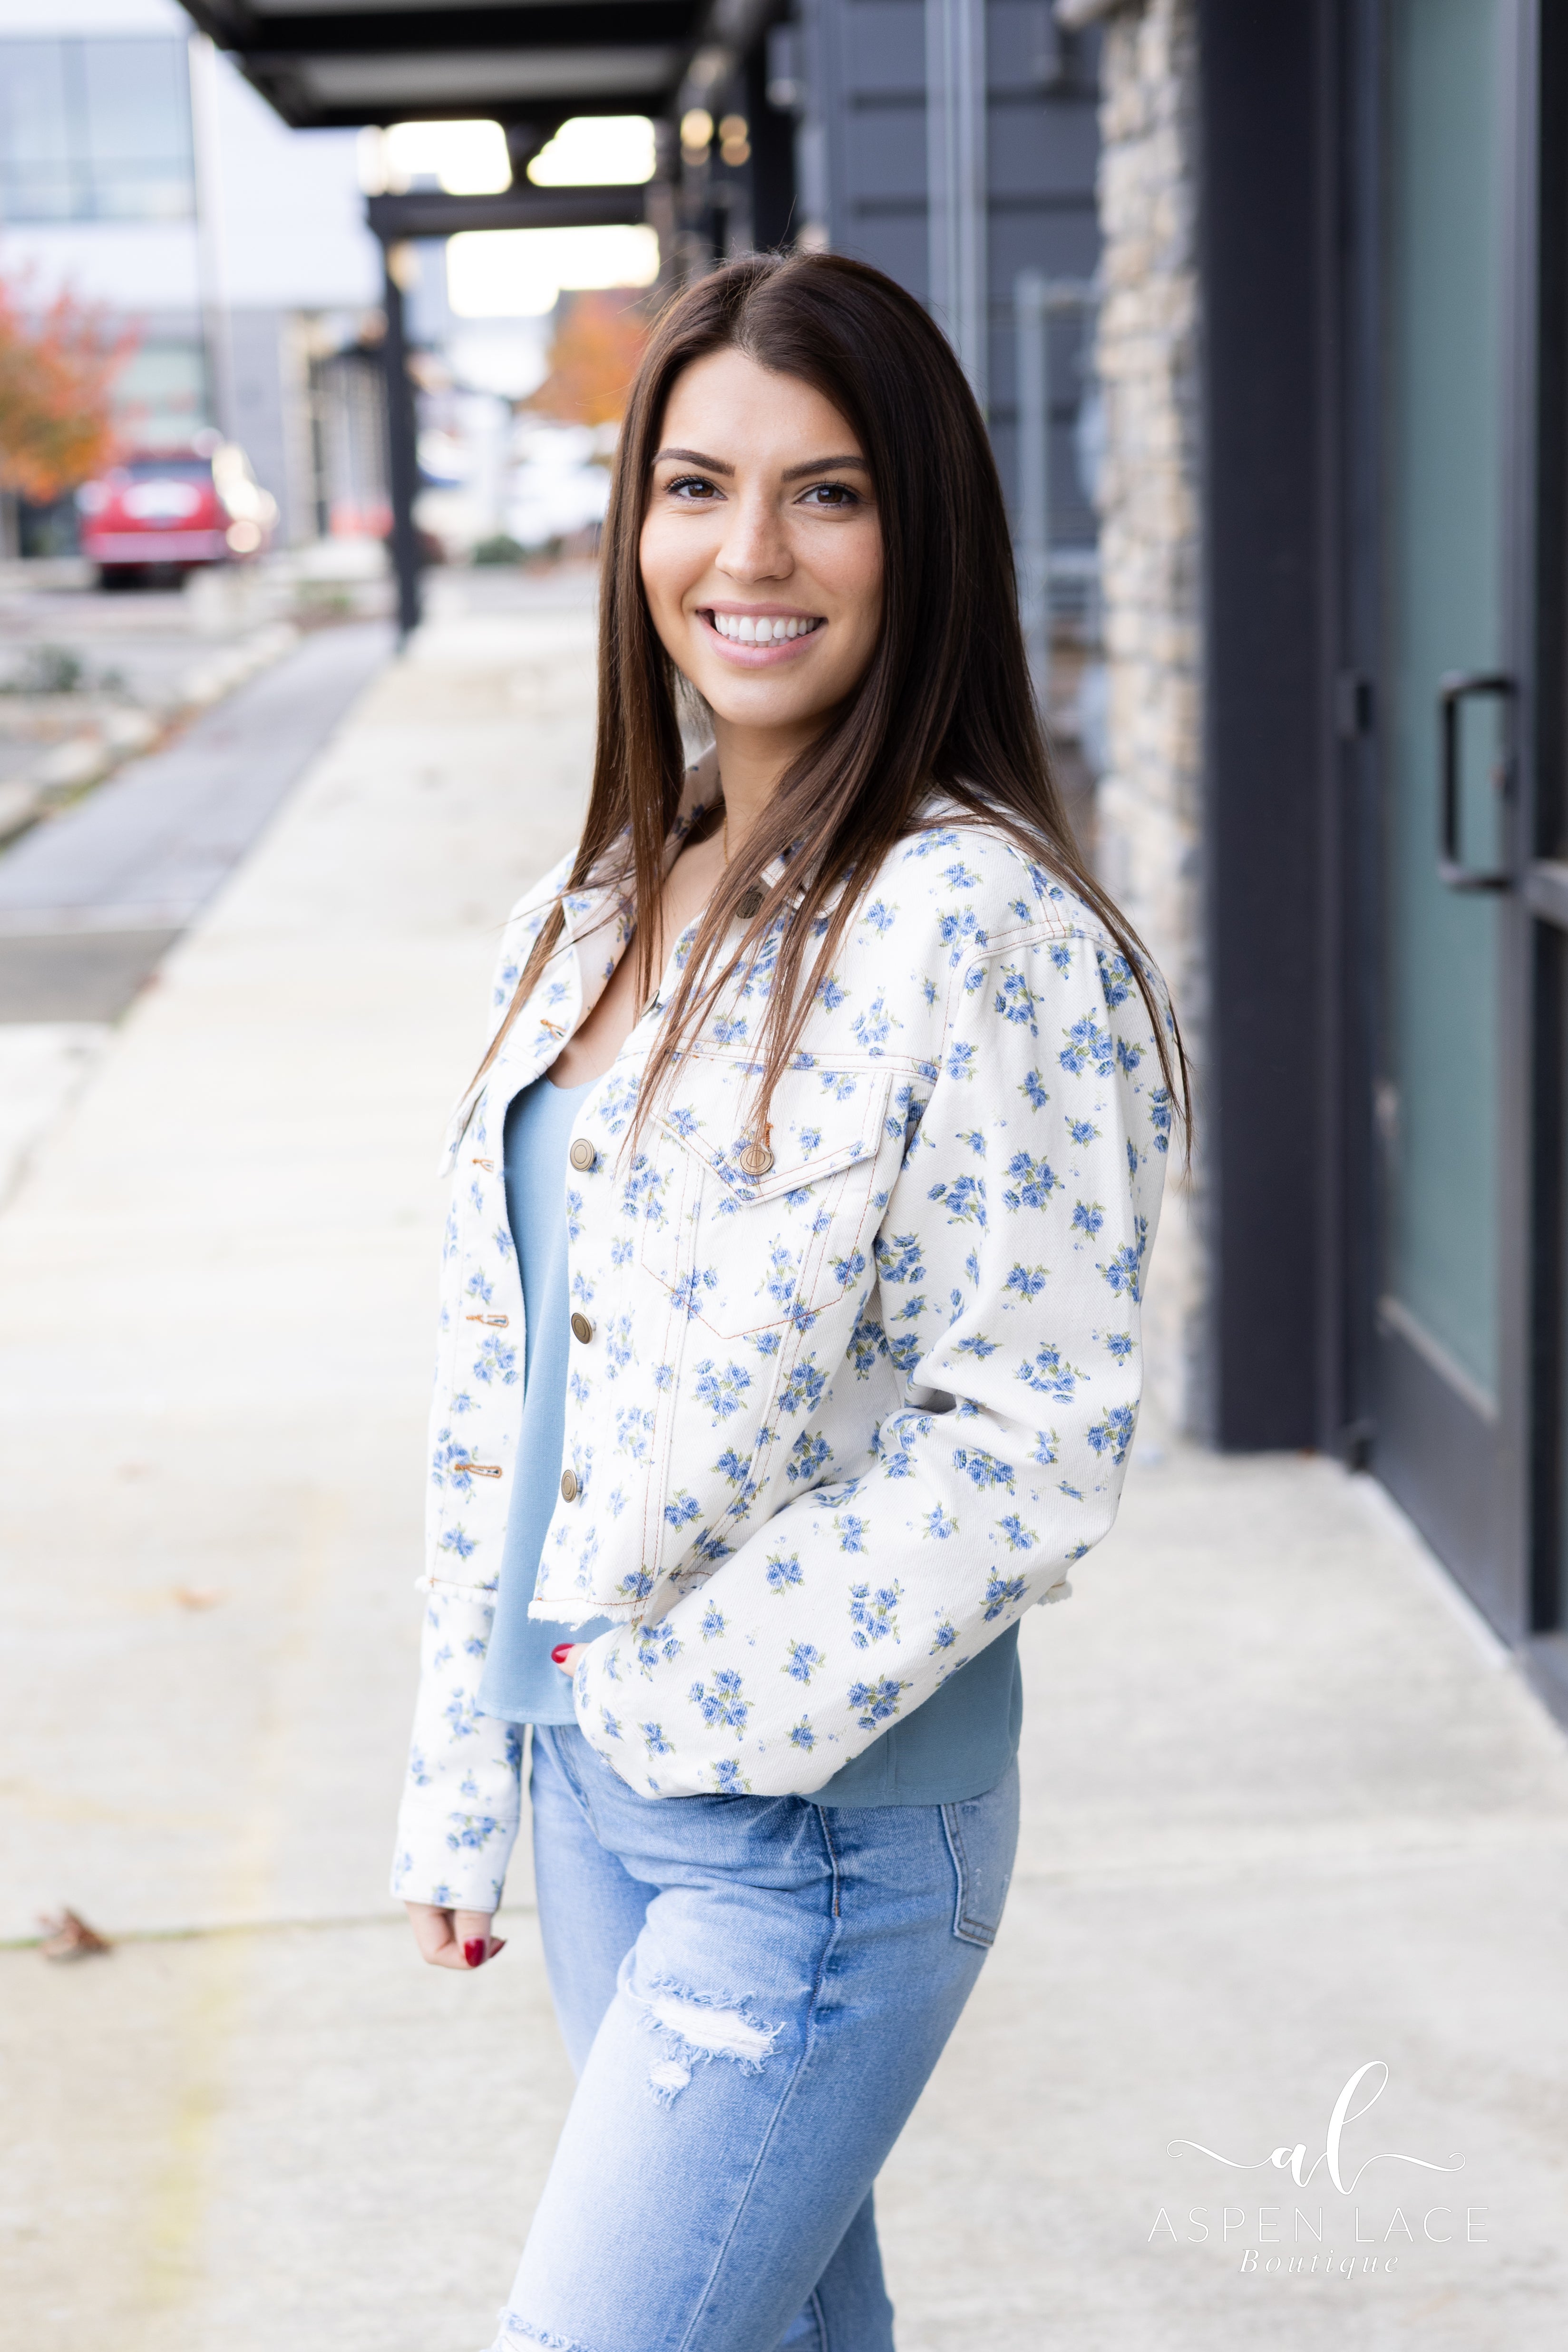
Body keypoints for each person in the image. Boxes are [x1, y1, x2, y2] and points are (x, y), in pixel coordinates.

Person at [392, 250, 1185, 2352]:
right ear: (633, 525)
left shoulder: (976, 922)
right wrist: (472, 1767)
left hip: (813, 1834)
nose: (750, 553)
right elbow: (506, 1383)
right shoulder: (585, 912)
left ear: (922, 537)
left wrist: (689, 1708)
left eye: (827, 493)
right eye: (696, 486)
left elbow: (1030, 1433)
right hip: (594, 1789)